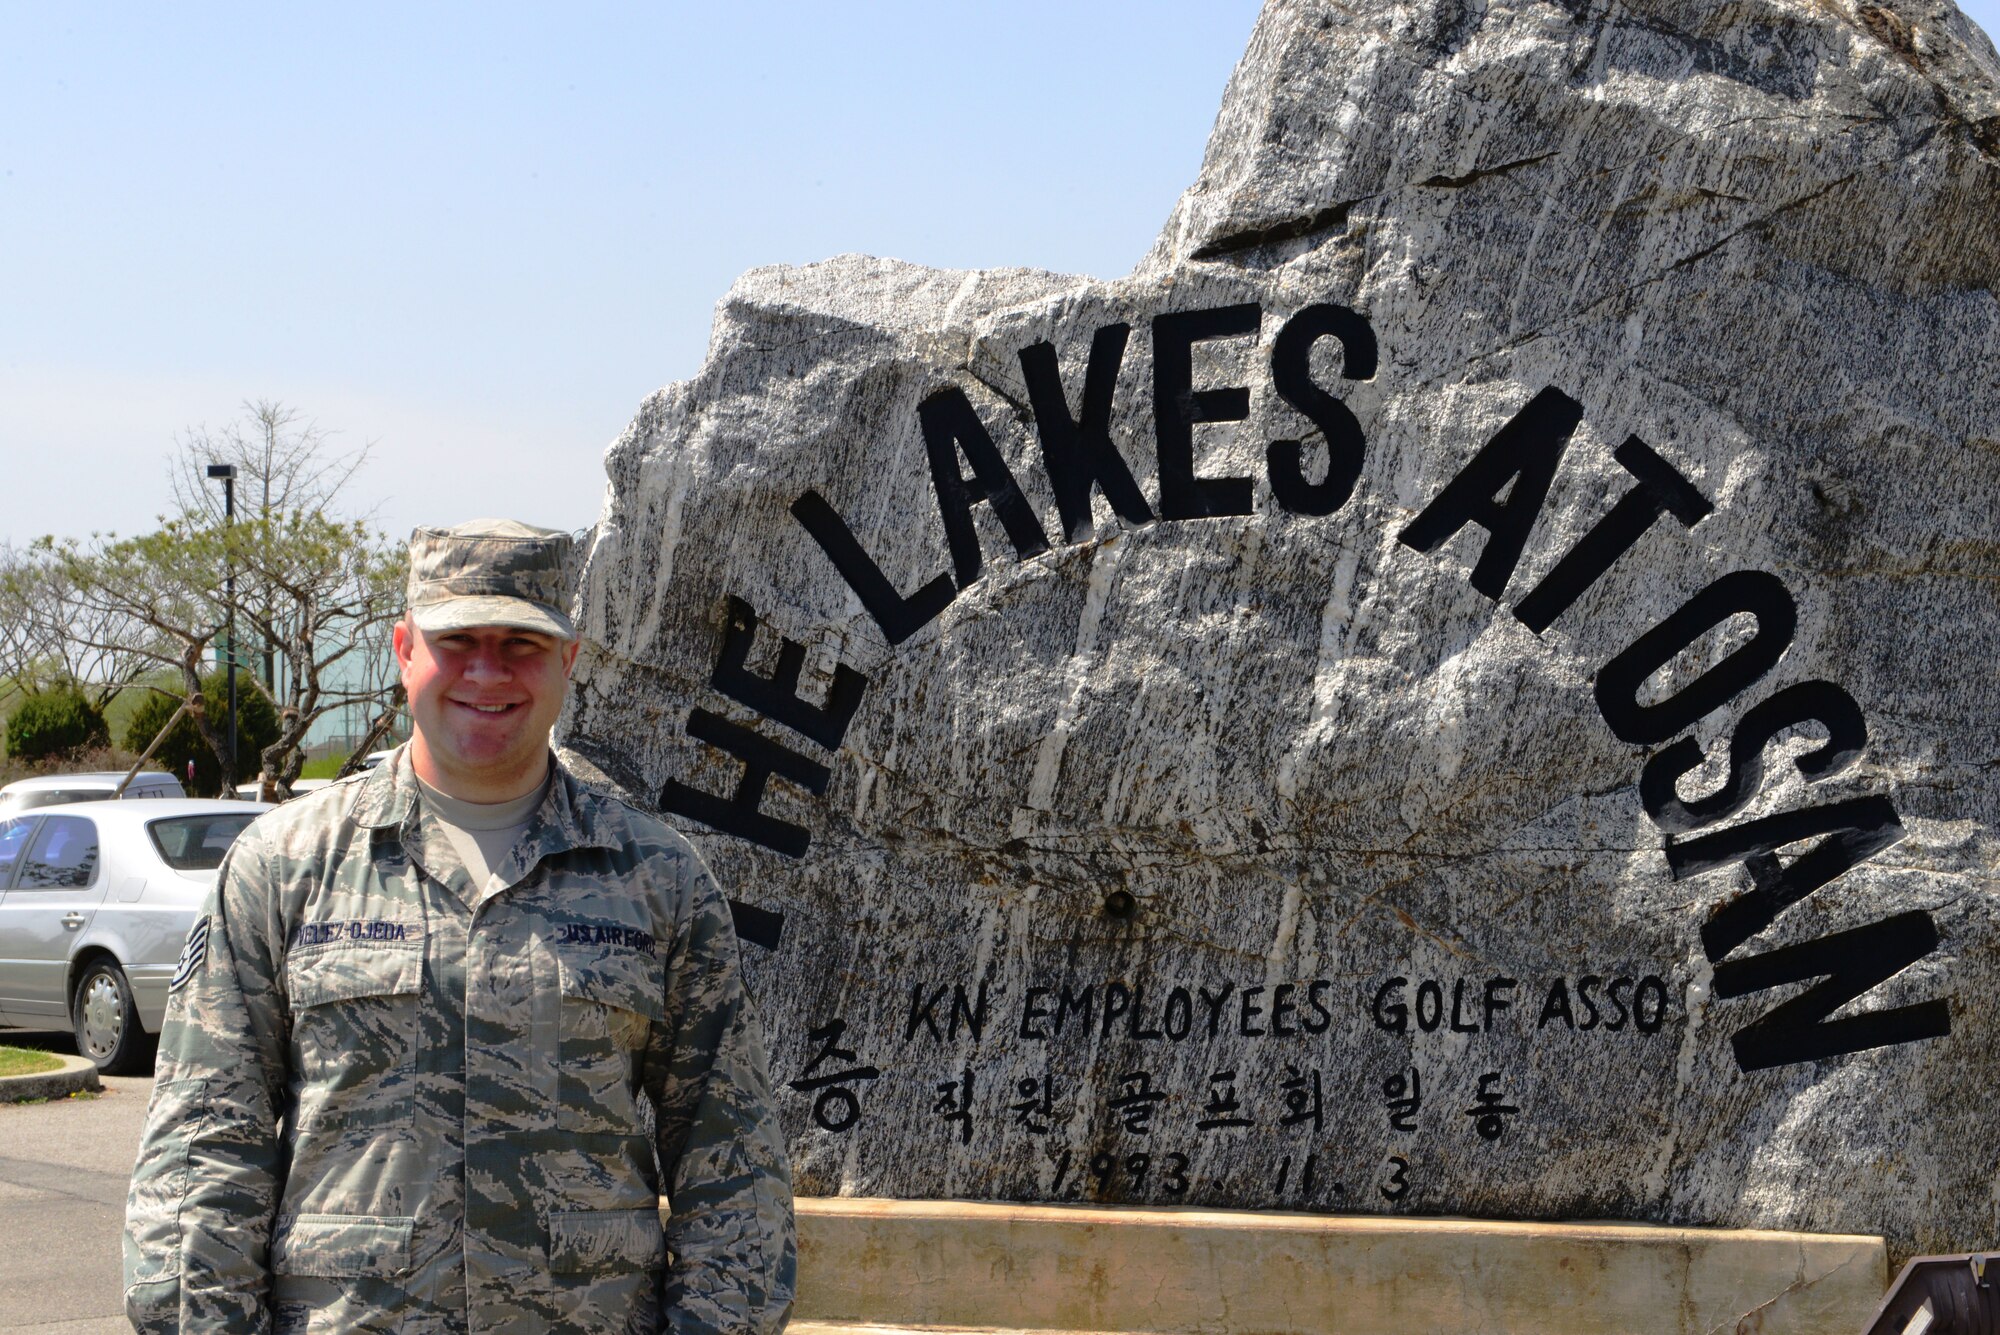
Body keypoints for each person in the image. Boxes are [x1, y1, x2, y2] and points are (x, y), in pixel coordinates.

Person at [124, 519, 795, 1335]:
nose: (487, 670)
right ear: (404, 648)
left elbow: (733, 1164)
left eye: (521, 643)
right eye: (457, 641)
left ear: (568, 660)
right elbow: (203, 1151)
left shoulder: (658, 880)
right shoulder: (283, 868)